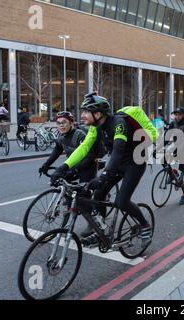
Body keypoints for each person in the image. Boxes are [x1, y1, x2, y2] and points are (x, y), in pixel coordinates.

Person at [51, 93, 153, 247]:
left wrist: (104, 175)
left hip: (134, 164)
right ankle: (101, 232)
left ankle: (145, 225)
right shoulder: (95, 127)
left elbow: (118, 149)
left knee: (121, 201)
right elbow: (84, 147)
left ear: (97, 114)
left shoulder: (119, 123)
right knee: (98, 195)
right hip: (117, 164)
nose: (83, 115)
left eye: (86, 112)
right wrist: (64, 167)